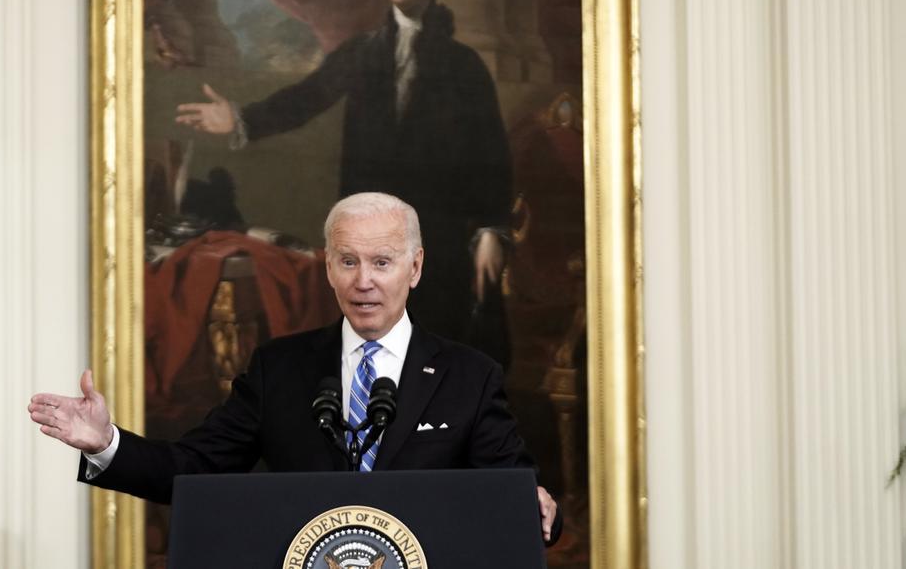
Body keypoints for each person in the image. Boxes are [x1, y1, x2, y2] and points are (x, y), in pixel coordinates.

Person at [28, 192, 559, 542]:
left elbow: (510, 489)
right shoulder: (278, 369)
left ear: (414, 268)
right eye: (348, 261)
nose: (363, 281)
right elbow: (194, 468)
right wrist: (106, 443)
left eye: (382, 262)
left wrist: (534, 507)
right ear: (327, 267)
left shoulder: (469, 375)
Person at [175, 0, 513, 356]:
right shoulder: (363, 52)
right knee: (373, 348)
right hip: (370, 233)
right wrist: (240, 119)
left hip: (438, 237)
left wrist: (490, 230)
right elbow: (305, 98)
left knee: (438, 348)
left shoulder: (464, 67)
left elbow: (491, 156)